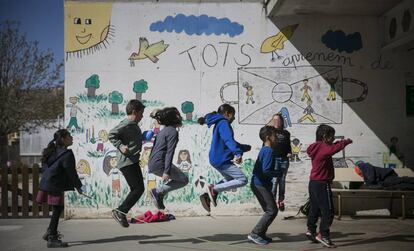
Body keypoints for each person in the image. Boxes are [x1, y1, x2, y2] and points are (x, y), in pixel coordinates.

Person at [306, 124, 352, 248]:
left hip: (313, 183)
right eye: (332, 137)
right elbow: (333, 149)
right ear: (325, 137)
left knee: (314, 208)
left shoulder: (315, 147)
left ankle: (311, 230)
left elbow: (329, 147)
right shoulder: (324, 148)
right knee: (328, 211)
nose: (333, 139)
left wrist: (335, 142)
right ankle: (323, 235)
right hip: (322, 184)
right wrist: (345, 142)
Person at [198, 104, 251, 212]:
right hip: (221, 159)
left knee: (229, 179)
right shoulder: (224, 123)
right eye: (233, 115)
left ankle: (207, 195)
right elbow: (228, 140)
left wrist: (243, 148)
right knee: (242, 180)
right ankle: (214, 189)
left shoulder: (219, 123)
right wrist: (238, 154)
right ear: (227, 113)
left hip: (216, 158)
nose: (234, 118)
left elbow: (228, 142)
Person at [37, 129, 82, 248]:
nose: (71, 138)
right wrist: (78, 186)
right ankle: (52, 237)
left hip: (47, 182)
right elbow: (71, 172)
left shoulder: (52, 151)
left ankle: (50, 231)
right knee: (57, 209)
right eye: (69, 136)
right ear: (63, 139)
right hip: (55, 183)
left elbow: (45, 167)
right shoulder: (67, 154)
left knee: (57, 208)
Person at [108, 99, 146, 228]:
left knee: (139, 188)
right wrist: (121, 146)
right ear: (134, 111)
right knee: (138, 188)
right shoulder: (127, 123)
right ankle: (120, 211)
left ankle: (121, 211)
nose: (142, 116)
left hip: (132, 160)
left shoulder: (133, 124)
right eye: (141, 113)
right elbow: (112, 134)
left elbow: (131, 139)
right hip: (127, 161)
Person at [148, 107, 189, 210]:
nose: (180, 117)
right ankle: (158, 192)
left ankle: (159, 194)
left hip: (153, 163)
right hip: (160, 163)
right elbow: (170, 152)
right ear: (172, 119)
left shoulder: (163, 131)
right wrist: (166, 171)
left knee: (182, 179)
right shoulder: (172, 132)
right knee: (184, 180)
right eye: (177, 115)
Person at [248, 126, 279, 245]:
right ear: (268, 138)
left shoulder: (264, 149)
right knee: (272, 210)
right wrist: (278, 173)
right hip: (260, 184)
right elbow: (266, 170)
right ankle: (255, 233)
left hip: (258, 183)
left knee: (269, 210)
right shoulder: (269, 151)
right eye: (274, 136)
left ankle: (260, 234)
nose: (276, 138)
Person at [268, 113, 291, 211]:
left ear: (282, 121)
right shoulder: (270, 132)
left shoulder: (286, 133)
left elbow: (288, 145)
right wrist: (272, 119)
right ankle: (272, 202)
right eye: (274, 120)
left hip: (284, 160)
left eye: (278, 120)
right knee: (274, 181)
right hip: (274, 159)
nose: (276, 122)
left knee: (282, 181)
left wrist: (290, 152)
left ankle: (281, 200)